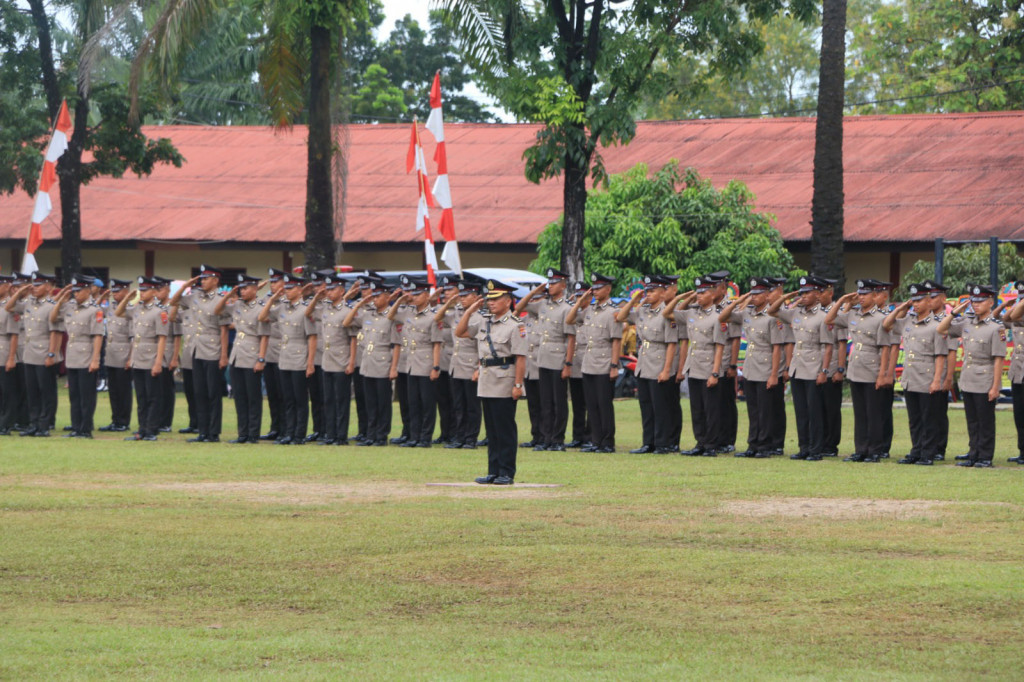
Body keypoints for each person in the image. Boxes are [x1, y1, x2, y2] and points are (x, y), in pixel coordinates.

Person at [457, 279, 527, 485]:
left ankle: (506, 472)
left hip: (505, 380)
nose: (491, 302)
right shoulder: (483, 322)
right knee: (492, 430)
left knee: (504, 429)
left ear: (508, 301)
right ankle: (493, 471)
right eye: (489, 299)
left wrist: (518, 385)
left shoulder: (516, 326)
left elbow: (521, 358)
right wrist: (469, 311)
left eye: (496, 299)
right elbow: (459, 332)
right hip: (487, 379)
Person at [825, 279, 893, 463]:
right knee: (860, 413)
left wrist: (882, 374)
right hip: (856, 367)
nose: (861, 298)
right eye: (859, 294)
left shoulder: (881, 318)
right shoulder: (852, 314)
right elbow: (829, 319)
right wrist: (842, 301)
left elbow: (885, 348)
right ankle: (860, 449)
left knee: (873, 412)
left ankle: (875, 450)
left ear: (874, 295)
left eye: (865, 294)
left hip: (872, 367)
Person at [939, 284, 1005, 468]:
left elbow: (998, 359)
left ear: (991, 302)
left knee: (985, 421)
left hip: (985, 378)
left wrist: (995, 386)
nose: (976, 305)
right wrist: (954, 312)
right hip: (968, 378)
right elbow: (942, 329)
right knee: (972, 420)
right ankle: (973, 453)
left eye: (981, 301)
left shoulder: (995, 328)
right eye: (974, 301)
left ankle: (985, 456)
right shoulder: (967, 323)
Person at [882, 282, 948, 465]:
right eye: (914, 301)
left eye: (920, 300)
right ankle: (916, 450)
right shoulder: (908, 321)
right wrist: (902, 307)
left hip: (927, 376)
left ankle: (928, 453)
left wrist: (937, 381)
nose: (916, 304)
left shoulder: (938, 325)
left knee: (929, 418)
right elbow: (887, 325)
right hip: (910, 376)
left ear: (929, 301)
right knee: (915, 418)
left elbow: (940, 356)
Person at [721, 278, 785, 458]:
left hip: (765, 366)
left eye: (758, 294)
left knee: (765, 410)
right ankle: (753, 444)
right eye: (753, 294)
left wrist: (774, 374)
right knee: (753, 409)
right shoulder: (746, 313)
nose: (755, 297)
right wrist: (742, 300)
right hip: (750, 365)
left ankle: (764, 445)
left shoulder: (772, 316)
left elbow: (777, 347)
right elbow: (723, 316)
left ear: (767, 295)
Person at [769, 275, 829, 460]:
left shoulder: (824, 317)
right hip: (797, 366)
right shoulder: (795, 313)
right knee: (801, 410)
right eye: (801, 293)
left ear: (817, 294)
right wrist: (791, 295)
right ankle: (804, 448)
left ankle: (816, 449)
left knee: (814, 411)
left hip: (813, 367)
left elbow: (827, 347)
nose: (803, 296)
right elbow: (772, 310)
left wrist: (823, 371)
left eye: (807, 293)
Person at [516, 268, 576, 451]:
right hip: (542, 358)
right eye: (549, 283)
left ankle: (558, 439)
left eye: (554, 283)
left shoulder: (567, 308)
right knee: (546, 402)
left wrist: (568, 364)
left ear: (563, 285)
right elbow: (519, 307)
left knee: (559, 401)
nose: (550, 286)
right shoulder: (543, 305)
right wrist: (534, 292)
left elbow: (571, 338)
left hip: (558, 358)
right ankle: (546, 439)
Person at [666, 276, 726, 456]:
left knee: (711, 409)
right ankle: (700, 442)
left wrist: (715, 372)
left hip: (709, 366)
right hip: (693, 366)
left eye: (704, 292)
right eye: (698, 293)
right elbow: (667, 313)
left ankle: (711, 445)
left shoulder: (718, 316)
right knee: (697, 408)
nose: (700, 296)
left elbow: (719, 346)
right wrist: (684, 298)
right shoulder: (692, 313)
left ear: (713, 294)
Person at [170, 265, 230, 443]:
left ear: (215, 280)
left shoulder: (221, 299)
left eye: (206, 278)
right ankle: (202, 431)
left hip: (213, 350)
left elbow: (224, 329)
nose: (202, 281)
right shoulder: (195, 296)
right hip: (195, 349)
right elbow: (173, 301)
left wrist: (224, 355)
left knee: (213, 393)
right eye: (201, 278)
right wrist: (185, 286)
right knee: (200, 392)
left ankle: (213, 432)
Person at [617, 275, 678, 454]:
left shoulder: (667, 312)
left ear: (662, 293)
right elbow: (621, 316)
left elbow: (672, 344)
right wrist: (635, 300)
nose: (648, 294)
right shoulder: (643, 310)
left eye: (652, 291)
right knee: (646, 404)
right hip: (644, 362)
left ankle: (662, 443)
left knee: (660, 406)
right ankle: (648, 442)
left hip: (659, 361)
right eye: (647, 291)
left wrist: (667, 370)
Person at [567, 272, 622, 453]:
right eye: (594, 288)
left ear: (608, 289)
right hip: (588, 363)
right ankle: (595, 440)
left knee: (604, 404)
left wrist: (614, 366)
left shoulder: (613, 312)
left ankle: (607, 442)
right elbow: (570, 319)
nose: (596, 291)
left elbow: (616, 340)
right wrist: (581, 300)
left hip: (605, 363)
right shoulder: (589, 310)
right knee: (592, 404)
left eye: (599, 288)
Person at [258, 273, 316, 445]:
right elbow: (262, 317)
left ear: (299, 290)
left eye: (290, 289)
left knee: (300, 399)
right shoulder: (282, 307)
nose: (287, 292)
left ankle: (299, 435)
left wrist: (310, 363)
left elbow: (312, 338)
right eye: (286, 289)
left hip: (299, 357)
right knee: (288, 399)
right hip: (284, 357)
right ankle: (288, 433)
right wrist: (273, 298)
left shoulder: (305, 309)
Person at [343, 280, 400, 446]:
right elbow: (346, 322)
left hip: (383, 363)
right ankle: (371, 434)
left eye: (378, 295)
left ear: (388, 296)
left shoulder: (392, 315)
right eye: (373, 295)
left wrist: (394, 368)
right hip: (367, 363)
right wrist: (360, 303)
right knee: (370, 402)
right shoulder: (368, 313)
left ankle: (381, 435)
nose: (374, 299)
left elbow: (396, 344)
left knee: (382, 402)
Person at [6, 271, 63, 437]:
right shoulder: (29, 303)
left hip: (44, 352)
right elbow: (9, 306)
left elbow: (55, 332)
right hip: (29, 354)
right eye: (34, 285)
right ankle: (34, 423)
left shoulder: (51, 306)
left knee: (46, 391)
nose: (35, 289)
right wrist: (20, 291)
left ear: (47, 287)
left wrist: (51, 354)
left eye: (38, 286)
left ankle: (45, 425)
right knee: (32, 392)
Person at [391, 275, 445, 448]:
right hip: (411, 363)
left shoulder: (433, 316)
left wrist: (435, 367)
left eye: (417, 294)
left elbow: (437, 344)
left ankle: (425, 437)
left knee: (427, 403)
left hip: (426, 361)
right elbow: (390, 316)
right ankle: (414, 436)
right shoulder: (408, 312)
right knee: (413, 402)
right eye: (411, 294)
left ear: (426, 296)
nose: (413, 297)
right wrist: (400, 300)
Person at [216, 273, 269, 443]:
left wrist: (261, 359)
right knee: (240, 397)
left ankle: (253, 435)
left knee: (253, 397)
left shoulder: (261, 307)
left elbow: (264, 336)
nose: (242, 291)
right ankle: (242, 434)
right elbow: (217, 310)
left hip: (252, 355)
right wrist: (229, 296)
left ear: (255, 289)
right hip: (237, 356)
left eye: (245, 288)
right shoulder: (237, 304)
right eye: (241, 288)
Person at [116, 277, 169, 441]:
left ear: (154, 292)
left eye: (145, 290)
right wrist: (127, 297)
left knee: (152, 396)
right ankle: (142, 429)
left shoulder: (159, 312)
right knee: (141, 396)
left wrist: (158, 362)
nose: (142, 293)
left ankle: (152, 430)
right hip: (138, 358)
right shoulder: (137, 309)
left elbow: (162, 338)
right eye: (141, 290)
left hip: (151, 357)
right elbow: (119, 312)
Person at [51, 276, 104, 438]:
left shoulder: (94, 310)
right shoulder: (70, 307)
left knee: (86, 395)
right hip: (72, 355)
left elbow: (98, 336)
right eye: (74, 291)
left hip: (87, 355)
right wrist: (61, 299)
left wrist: (95, 359)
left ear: (88, 291)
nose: (75, 294)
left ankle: (85, 429)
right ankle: (76, 427)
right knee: (74, 394)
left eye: (78, 291)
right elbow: (52, 318)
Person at [436, 279, 485, 449]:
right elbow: (437, 317)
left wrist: (479, 368)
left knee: (471, 405)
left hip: (471, 365)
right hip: (455, 365)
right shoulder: (455, 313)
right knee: (458, 404)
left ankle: (471, 438)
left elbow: (482, 346)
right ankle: (459, 436)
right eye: (461, 296)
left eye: (466, 296)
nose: (463, 299)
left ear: (475, 297)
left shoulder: (480, 318)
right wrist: (449, 302)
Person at [311, 274, 357, 445]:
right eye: (328, 289)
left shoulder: (348, 311)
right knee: (328, 399)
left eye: (333, 289)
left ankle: (341, 436)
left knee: (341, 400)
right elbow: (308, 312)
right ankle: (330, 435)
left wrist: (351, 361)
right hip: (327, 360)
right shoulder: (325, 310)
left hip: (342, 360)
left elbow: (353, 338)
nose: (329, 292)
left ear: (342, 291)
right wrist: (317, 296)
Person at [98, 279, 133, 433]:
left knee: (123, 391)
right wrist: (101, 297)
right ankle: (115, 420)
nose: (115, 294)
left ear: (127, 292)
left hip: (124, 354)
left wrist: (131, 358)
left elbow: (133, 337)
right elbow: (94, 310)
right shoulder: (110, 308)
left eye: (118, 291)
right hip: (111, 353)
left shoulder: (131, 310)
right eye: (114, 291)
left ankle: (123, 422)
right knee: (113, 391)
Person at [258, 268, 287, 440]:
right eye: (272, 282)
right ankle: (274, 427)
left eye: (276, 281)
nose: (273, 285)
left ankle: (284, 429)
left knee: (283, 393)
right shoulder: (267, 299)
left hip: (283, 350)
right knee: (272, 393)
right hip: (268, 350)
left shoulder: (288, 300)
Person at [819, 278, 846, 457]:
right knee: (818, 408)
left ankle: (831, 445)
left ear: (830, 292)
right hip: (817, 365)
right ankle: (820, 441)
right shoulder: (815, 312)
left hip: (833, 364)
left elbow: (842, 343)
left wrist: (840, 369)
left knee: (831, 408)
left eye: (821, 292)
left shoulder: (838, 312)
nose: (818, 295)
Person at [566, 280, 591, 448]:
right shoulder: (574, 312)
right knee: (577, 402)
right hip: (575, 362)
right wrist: (574, 303)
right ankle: (577, 435)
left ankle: (589, 436)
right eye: (577, 295)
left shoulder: (592, 312)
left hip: (590, 360)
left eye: (583, 295)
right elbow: (568, 320)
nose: (579, 299)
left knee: (590, 401)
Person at [1005, 281, 1024, 463]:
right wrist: (1011, 303)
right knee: (1019, 414)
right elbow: (1007, 317)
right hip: (1019, 371)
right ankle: (1022, 451)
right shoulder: (1018, 316)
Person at [0, 274, 20, 434]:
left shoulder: (11, 306)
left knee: (7, 391)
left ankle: (6, 423)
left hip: (4, 350)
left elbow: (14, 334)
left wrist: (12, 357)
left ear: (7, 287)